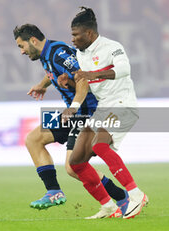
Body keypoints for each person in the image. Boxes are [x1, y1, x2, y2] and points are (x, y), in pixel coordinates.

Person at [13, 24, 129, 211]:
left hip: (86, 112)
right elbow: (54, 73)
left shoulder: (58, 53)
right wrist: (43, 84)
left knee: (73, 167)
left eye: (21, 46)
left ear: (33, 41)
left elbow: (83, 78)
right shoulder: (45, 55)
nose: (21, 52)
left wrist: (74, 107)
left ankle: (122, 198)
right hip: (73, 112)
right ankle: (53, 191)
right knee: (33, 139)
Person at [58, 7, 148, 219]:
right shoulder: (81, 54)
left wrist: (91, 73)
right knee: (77, 161)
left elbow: (125, 69)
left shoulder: (111, 47)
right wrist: (70, 83)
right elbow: (87, 84)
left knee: (99, 145)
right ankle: (108, 205)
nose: (72, 40)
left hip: (122, 103)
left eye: (75, 35)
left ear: (89, 33)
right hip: (103, 107)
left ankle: (136, 194)